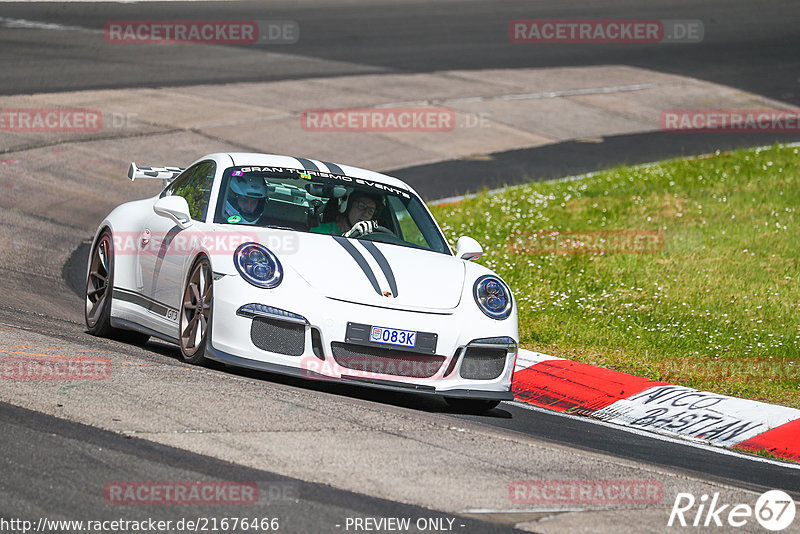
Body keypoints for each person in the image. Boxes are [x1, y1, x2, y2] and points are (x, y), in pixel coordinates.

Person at [311, 193, 380, 237]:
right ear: (347, 206)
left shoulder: (372, 237)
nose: (365, 214)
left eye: (371, 211)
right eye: (361, 206)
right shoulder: (321, 231)